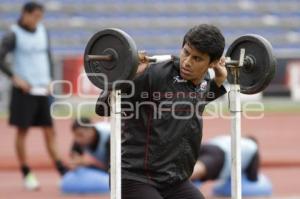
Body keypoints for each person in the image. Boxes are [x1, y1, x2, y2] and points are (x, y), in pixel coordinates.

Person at [96, 24, 227, 199]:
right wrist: (128, 77)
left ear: (212, 63)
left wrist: (218, 80)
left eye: (197, 59)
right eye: (186, 52)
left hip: (174, 180)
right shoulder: (154, 74)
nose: (187, 62)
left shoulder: (204, 80)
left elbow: (194, 101)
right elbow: (103, 107)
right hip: (135, 176)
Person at [0, 2, 68, 190]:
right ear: (25, 14)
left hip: (42, 89)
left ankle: (62, 170)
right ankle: (26, 172)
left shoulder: (43, 31)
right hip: (24, 91)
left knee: (49, 130)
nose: (38, 20)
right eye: (35, 16)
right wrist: (15, 78)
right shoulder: (14, 34)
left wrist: (50, 80)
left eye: (40, 17)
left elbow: (47, 56)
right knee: (23, 131)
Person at [190, 135, 259, 183]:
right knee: (199, 168)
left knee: (187, 164)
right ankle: (180, 180)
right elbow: (252, 176)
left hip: (208, 146)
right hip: (220, 154)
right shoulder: (254, 147)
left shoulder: (233, 137)